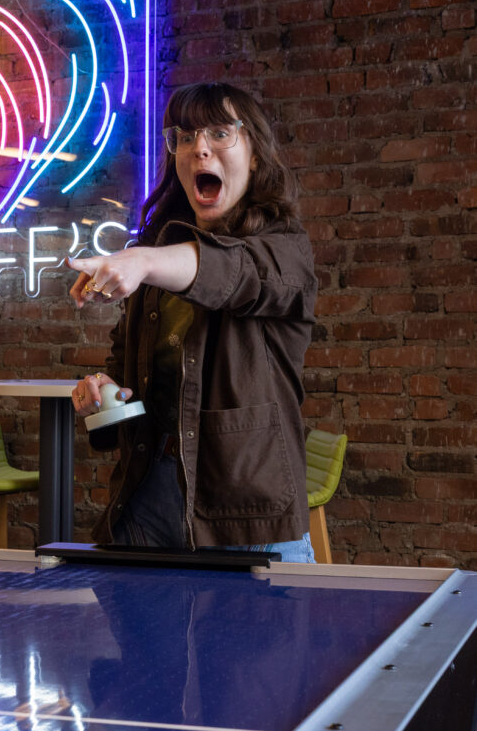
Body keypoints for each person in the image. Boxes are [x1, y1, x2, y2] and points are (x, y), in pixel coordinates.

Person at [67, 82, 318, 562]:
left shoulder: (286, 251)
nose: (199, 147)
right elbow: (125, 371)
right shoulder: (160, 250)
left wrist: (141, 261)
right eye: (184, 136)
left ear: (256, 156)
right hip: (147, 506)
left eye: (221, 133)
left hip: (245, 517)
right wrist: (106, 393)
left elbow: (234, 271)